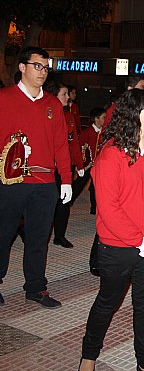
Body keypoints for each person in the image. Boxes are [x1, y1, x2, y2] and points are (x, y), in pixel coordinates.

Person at [78, 89, 144, 371]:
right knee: (107, 303)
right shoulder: (111, 156)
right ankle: (88, 356)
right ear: (133, 116)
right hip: (118, 248)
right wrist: (139, 241)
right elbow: (108, 209)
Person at [0, 46, 71, 308]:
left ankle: (36, 287)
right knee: (3, 234)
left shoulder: (52, 104)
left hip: (43, 184)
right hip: (10, 181)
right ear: (22, 67)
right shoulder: (4, 98)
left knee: (39, 238)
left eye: (46, 66)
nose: (43, 72)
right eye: (37, 66)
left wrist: (65, 179)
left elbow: (61, 144)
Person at [43, 80, 84, 249]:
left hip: (65, 167)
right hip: (47, 169)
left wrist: (79, 165)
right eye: (64, 94)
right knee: (46, 204)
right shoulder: (44, 114)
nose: (68, 97)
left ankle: (59, 235)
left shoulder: (69, 117)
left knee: (64, 203)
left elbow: (73, 143)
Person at [74, 107, 107, 214]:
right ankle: (67, 202)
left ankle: (94, 209)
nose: (105, 120)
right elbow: (80, 147)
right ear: (96, 119)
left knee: (96, 187)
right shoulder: (87, 132)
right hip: (87, 164)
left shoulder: (104, 132)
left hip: (99, 165)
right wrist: (80, 164)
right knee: (79, 184)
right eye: (103, 117)